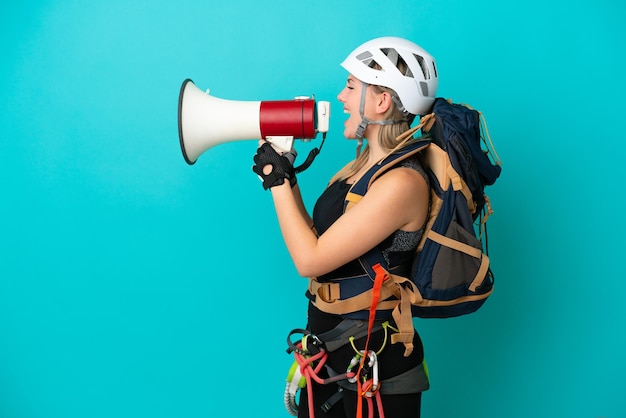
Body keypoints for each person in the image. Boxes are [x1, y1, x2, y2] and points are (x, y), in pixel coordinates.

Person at [252, 37, 439, 418]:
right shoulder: (360, 168)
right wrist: (285, 173)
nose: (340, 97)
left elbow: (310, 259)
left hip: (376, 369)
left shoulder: (403, 183)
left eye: (352, 87)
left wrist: (276, 178)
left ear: (382, 100)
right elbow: (321, 240)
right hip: (328, 353)